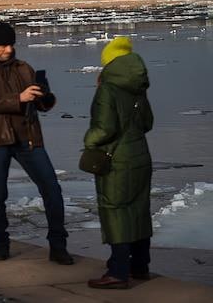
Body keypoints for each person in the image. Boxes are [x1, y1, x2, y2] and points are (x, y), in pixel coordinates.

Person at [0, 21, 74, 265]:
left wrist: (44, 97)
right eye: (3, 45)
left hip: (28, 136)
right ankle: (0, 244)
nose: (8, 50)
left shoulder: (23, 68)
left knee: (52, 188)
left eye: (11, 45)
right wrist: (19, 98)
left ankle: (58, 246)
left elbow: (39, 105)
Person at [86, 37, 153, 290]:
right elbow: (147, 123)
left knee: (115, 211)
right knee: (138, 210)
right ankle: (140, 266)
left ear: (109, 63)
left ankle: (118, 271)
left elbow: (104, 129)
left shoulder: (108, 89)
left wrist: (89, 141)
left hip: (117, 161)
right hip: (141, 157)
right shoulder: (138, 87)